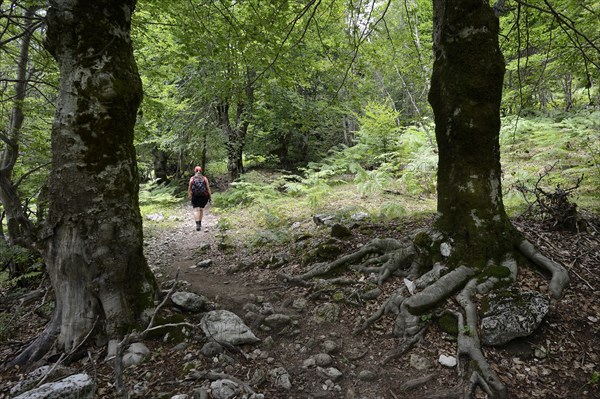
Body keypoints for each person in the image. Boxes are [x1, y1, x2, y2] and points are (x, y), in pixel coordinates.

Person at [188, 166, 212, 231]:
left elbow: (189, 188)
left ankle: (197, 224)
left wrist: (189, 195)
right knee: (201, 209)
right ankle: (200, 223)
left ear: (195, 171)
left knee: (196, 210)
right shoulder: (204, 178)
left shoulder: (192, 178)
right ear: (201, 171)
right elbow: (208, 188)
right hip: (204, 196)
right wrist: (210, 197)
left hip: (195, 196)